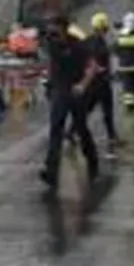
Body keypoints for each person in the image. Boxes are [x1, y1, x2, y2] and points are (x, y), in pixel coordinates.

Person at [41, 14, 100, 192]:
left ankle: (92, 160)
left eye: (55, 26)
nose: (52, 30)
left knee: (81, 128)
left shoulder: (78, 44)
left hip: (75, 90)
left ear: (64, 27)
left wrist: (83, 84)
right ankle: (51, 170)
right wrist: (49, 83)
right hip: (59, 90)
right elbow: (49, 61)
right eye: (51, 26)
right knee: (55, 128)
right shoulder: (51, 42)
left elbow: (93, 66)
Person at [78, 12, 121, 154]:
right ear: (103, 26)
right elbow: (95, 62)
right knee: (106, 110)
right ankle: (111, 136)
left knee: (88, 108)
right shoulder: (99, 43)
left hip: (93, 81)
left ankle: (72, 131)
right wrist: (103, 70)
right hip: (99, 81)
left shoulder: (88, 40)